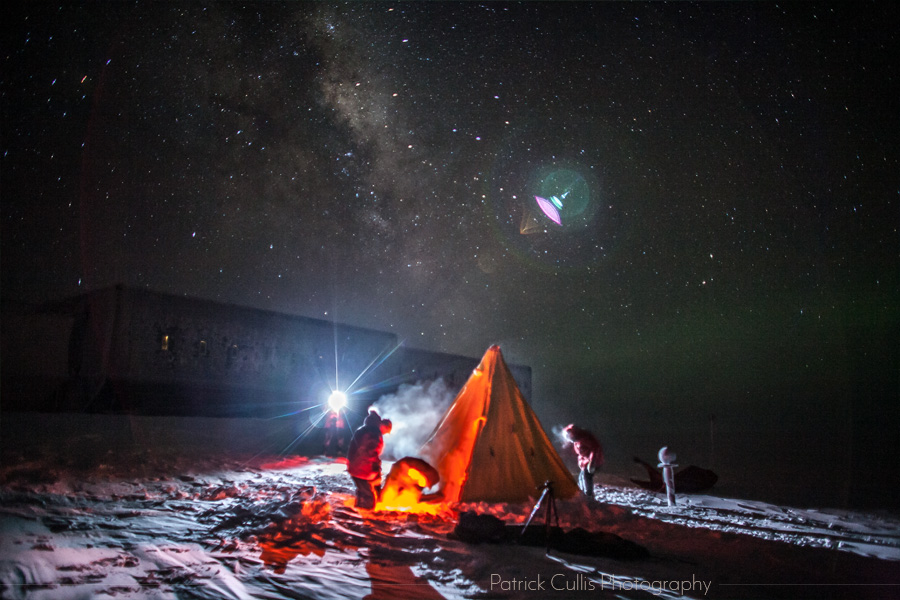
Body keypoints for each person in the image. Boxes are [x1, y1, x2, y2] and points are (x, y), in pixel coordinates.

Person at [347, 409, 393, 509]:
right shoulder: (374, 433)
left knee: (362, 490)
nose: (385, 434)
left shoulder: (364, 429)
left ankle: (359, 506)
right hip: (363, 470)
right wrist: (375, 471)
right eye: (386, 432)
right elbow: (370, 454)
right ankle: (366, 516)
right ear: (384, 426)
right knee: (369, 499)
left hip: (354, 468)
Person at [563, 424, 603, 500]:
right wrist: (581, 462)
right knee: (581, 477)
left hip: (591, 461)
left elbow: (594, 450)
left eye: (569, 436)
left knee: (586, 477)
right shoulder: (577, 441)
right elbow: (581, 453)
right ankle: (584, 494)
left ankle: (589, 495)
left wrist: (592, 462)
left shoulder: (584, 439)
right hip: (585, 462)